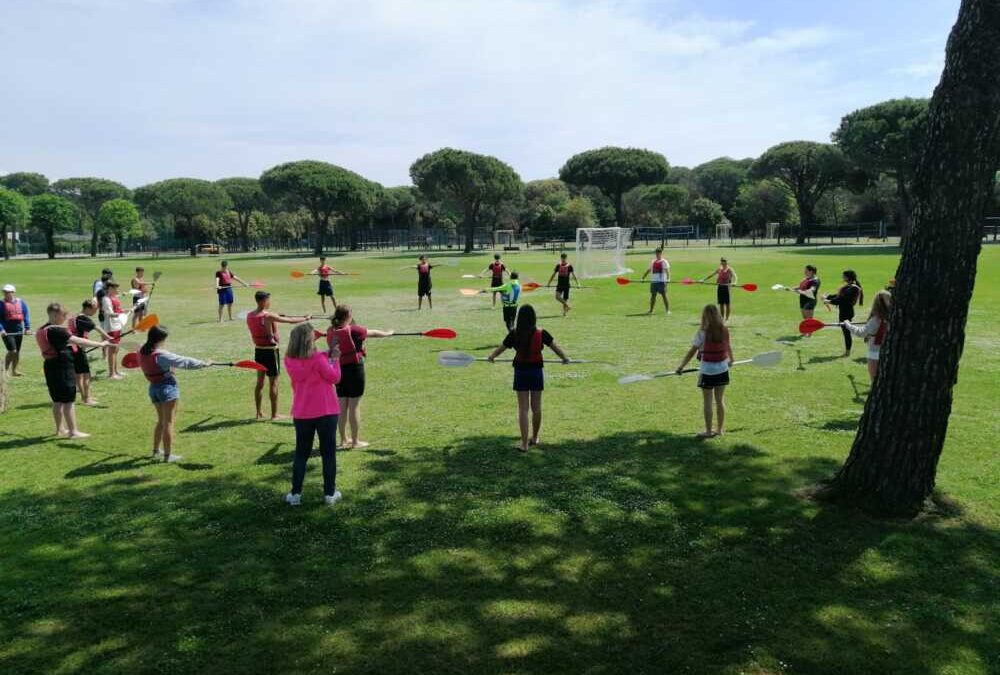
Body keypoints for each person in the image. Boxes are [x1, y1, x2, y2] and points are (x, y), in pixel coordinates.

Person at [487, 304, 570, 452]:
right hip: (536, 373)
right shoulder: (541, 333)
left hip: (521, 373)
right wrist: (564, 358)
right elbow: (554, 346)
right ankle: (535, 437)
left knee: (523, 409)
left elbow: (502, 347)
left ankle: (524, 444)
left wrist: (492, 356)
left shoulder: (514, 333)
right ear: (533, 318)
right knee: (536, 408)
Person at [284, 322, 343, 506]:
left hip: (302, 412)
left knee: (301, 454)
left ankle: (295, 494)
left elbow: (312, 361)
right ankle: (329, 494)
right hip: (326, 411)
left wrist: (328, 354)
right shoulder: (318, 359)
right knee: (328, 453)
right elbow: (334, 377)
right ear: (309, 341)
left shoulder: (288, 359)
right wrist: (335, 359)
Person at [138, 325, 212, 463]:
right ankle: (167, 456)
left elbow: (161, 364)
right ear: (160, 339)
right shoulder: (161, 355)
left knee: (161, 420)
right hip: (167, 389)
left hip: (153, 389)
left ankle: (156, 451)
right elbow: (184, 361)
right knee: (169, 423)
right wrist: (204, 364)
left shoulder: (142, 350)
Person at [36, 303, 109, 438]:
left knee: (57, 400)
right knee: (69, 400)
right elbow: (77, 340)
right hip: (62, 368)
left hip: (50, 367)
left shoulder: (42, 329)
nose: (65, 318)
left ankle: (60, 430)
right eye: (63, 315)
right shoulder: (56, 330)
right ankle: (73, 431)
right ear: (55, 315)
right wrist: (101, 344)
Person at [326, 305, 393, 449]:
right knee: (354, 406)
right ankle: (355, 442)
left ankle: (343, 440)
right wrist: (388, 333)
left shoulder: (330, 331)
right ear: (348, 316)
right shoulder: (353, 330)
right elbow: (373, 333)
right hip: (354, 370)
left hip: (338, 370)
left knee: (342, 406)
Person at [246, 290, 311, 420]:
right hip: (270, 352)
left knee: (260, 382)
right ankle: (274, 414)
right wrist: (305, 318)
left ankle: (258, 413)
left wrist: (275, 316)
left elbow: (263, 321)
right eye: (268, 300)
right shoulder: (268, 316)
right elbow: (290, 321)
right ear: (263, 301)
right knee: (273, 382)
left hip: (258, 351)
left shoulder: (250, 315)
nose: (270, 302)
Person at [675, 304, 734, 438]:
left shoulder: (702, 332)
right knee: (720, 400)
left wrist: (681, 367)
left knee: (708, 401)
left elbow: (692, 351)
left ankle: (708, 431)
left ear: (704, 316)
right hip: (722, 370)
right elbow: (728, 346)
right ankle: (719, 430)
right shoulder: (724, 329)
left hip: (707, 371)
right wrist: (732, 360)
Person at [70, 299, 113, 405]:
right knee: (85, 375)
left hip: (74, 348)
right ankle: (87, 399)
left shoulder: (76, 317)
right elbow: (96, 327)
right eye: (94, 309)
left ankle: (86, 397)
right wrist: (108, 337)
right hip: (78, 349)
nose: (95, 312)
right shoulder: (83, 318)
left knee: (79, 375)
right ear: (88, 308)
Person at [844, 290, 892, 381]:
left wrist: (848, 325)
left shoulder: (876, 319)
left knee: (875, 380)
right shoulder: (894, 316)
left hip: (875, 353)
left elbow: (861, 332)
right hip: (889, 352)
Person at [824, 269, 864, 357]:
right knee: (845, 331)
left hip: (847, 312)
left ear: (848, 277)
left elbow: (842, 299)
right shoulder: (849, 286)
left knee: (846, 332)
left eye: (844, 276)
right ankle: (847, 351)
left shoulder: (853, 288)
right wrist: (827, 296)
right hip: (844, 311)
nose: (842, 277)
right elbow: (839, 295)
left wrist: (829, 301)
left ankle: (848, 352)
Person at [1, 284, 30, 377]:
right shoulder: (1, 304)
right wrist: (1, 329)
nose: (6, 294)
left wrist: (27, 327)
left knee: (17, 351)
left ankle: (14, 371)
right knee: (12, 351)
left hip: (18, 330)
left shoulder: (21, 303)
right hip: (6, 331)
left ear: (13, 292)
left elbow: (26, 315)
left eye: (8, 292)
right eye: (4, 292)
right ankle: (4, 370)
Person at [100, 281, 127, 380]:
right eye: (115, 288)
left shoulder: (113, 298)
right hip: (112, 327)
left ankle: (116, 371)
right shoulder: (106, 299)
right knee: (112, 350)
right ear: (110, 289)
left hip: (117, 325)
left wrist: (125, 311)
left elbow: (117, 310)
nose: (117, 290)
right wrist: (120, 314)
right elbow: (108, 313)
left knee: (116, 349)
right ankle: (112, 374)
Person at [702, 257, 737, 321]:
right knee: (721, 304)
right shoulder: (719, 269)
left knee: (727, 304)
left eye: (724, 261)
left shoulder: (729, 269)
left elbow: (735, 276)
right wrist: (703, 279)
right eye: (722, 261)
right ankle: (722, 318)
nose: (723, 262)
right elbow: (711, 275)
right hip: (720, 287)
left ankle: (727, 318)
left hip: (727, 287)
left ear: (726, 262)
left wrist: (734, 283)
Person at [640, 248, 671, 315]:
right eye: (656, 253)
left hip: (661, 282)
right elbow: (649, 270)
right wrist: (643, 277)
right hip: (654, 282)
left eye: (658, 253)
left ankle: (667, 310)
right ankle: (651, 310)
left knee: (664, 296)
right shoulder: (653, 261)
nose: (657, 254)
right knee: (653, 296)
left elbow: (667, 271)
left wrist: (668, 279)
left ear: (661, 253)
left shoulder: (664, 261)